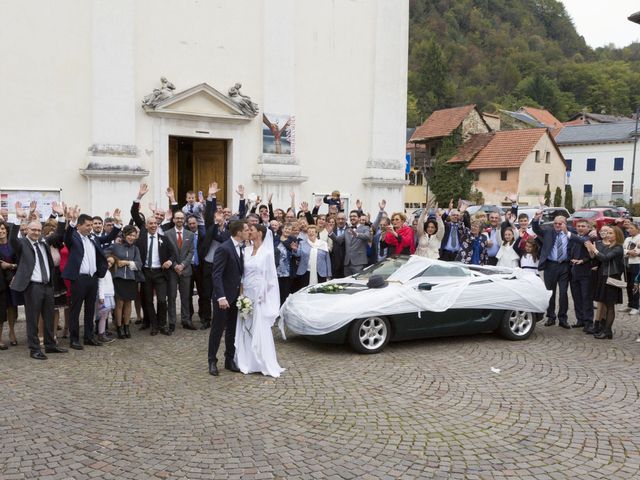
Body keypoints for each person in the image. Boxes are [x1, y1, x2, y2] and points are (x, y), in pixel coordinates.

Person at [9, 214, 68, 359]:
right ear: (27, 230)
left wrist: (61, 216)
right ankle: (34, 349)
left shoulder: (44, 241)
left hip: (48, 285)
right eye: (33, 230)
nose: (36, 232)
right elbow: (12, 239)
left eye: (38, 230)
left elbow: (59, 233)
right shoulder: (22, 244)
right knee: (32, 318)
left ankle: (50, 345)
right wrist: (18, 219)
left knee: (49, 316)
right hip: (33, 286)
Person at [63, 206, 121, 349]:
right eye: (87, 225)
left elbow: (109, 237)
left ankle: (89, 337)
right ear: (80, 225)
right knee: (75, 310)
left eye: (91, 225)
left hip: (93, 278)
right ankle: (74, 339)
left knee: (90, 310)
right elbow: (66, 236)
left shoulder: (93, 238)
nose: (90, 228)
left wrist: (117, 224)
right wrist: (72, 221)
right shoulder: (74, 237)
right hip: (79, 279)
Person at [234, 224, 285, 377]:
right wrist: (242, 295)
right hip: (247, 293)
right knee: (245, 324)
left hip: (261, 295)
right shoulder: (246, 250)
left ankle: (261, 361)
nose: (249, 232)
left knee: (259, 326)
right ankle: (246, 360)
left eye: (252, 230)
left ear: (260, 233)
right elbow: (242, 275)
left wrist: (263, 295)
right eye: (248, 230)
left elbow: (271, 279)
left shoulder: (268, 253)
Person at [208, 221, 249, 376]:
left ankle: (229, 359)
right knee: (217, 330)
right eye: (245, 230)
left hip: (235, 297)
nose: (248, 232)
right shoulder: (224, 248)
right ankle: (212, 361)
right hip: (223, 298)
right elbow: (216, 274)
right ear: (238, 232)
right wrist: (221, 297)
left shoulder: (242, 248)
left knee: (232, 330)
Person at [532, 213, 571, 329]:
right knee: (550, 292)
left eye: (560, 223)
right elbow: (536, 229)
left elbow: (584, 234)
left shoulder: (570, 233)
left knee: (563, 293)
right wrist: (536, 218)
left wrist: (594, 234)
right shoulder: (548, 232)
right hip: (550, 265)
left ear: (565, 224)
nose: (557, 225)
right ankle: (551, 317)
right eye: (555, 223)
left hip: (564, 266)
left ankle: (563, 318)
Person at [585, 225, 624, 339]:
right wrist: (592, 251)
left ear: (617, 235)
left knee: (610, 305)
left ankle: (607, 331)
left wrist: (594, 249)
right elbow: (598, 258)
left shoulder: (618, 247)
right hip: (604, 277)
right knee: (606, 304)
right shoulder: (610, 246)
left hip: (612, 278)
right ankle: (605, 329)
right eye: (608, 233)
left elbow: (605, 258)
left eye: (611, 233)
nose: (608, 235)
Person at [109, 225, 143, 339]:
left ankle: (126, 326)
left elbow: (139, 264)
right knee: (119, 304)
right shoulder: (116, 246)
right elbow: (105, 254)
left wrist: (127, 263)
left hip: (130, 279)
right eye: (129, 235)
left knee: (128, 303)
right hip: (118, 278)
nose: (131, 237)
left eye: (134, 235)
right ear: (124, 235)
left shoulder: (135, 249)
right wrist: (115, 260)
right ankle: (119, 326)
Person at [165, 211, 196, 332]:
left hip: (185, 270)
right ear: (173, 220)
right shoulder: (167, 234)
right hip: (172, 271)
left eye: (181, 218)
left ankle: (186, 320)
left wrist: (182, 265)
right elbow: (166, 252)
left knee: (186, 297)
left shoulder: (190, 234)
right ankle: (172, 322)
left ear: (184, 220)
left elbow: (191, 252)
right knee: (172, 297)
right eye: (177, 218)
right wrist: (175, 266)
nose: (179, 220)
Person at [569, 219, 595, 331]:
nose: (580, 228)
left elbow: (593, 255)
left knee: (586, 298)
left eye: (583, 226)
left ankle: (589, 322)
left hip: (586, 273)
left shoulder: (591, 238)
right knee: (577, 298)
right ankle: (580, 319)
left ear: (588, 228)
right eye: (578, 226)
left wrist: (583, 261)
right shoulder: (575, 239)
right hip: (574, 272)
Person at [329, 210, 370, 276]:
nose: (352, 218)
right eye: (350, 216)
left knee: (357, 284)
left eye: (354, 216)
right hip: (347, 263)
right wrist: (331, 233)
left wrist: (357, 234)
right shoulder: (347, 229)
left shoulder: (365, 228)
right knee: (347, 283)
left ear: (359, 218)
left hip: (359, 263)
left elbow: (367, 236)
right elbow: (338, 240)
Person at [0, 220, 19, 348]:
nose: (1, 231)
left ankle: (12, 333)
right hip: (0, 282)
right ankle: (0, 337)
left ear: (6, 230)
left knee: (12, 307)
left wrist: (11, 265)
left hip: (13, 280)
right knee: (1, 310)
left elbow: (20, 262)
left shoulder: (13, 245)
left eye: (2, 229)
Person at [96, 256, 116, 344]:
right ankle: (101, 333)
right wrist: (101, 297)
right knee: (103, 315)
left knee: (105, 316)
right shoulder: (102, 271)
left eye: (111, 263)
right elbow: (100, 284)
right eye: (108, 261)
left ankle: (102, 332)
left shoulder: (108, 272)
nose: (109, 264)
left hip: (109, 295)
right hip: (104, 297)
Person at [621, 222, 640, 315]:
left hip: (636, 263)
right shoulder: (627, 239)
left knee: (635, 284)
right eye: (628, 228)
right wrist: (628, 252)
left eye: (632, 228)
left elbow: (636, 253)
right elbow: (622, 250)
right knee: (628, 285)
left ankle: (636, 306)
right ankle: (630, 304)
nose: (629, 230)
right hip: (627, 264)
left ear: (637, 229)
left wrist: (626, 252)